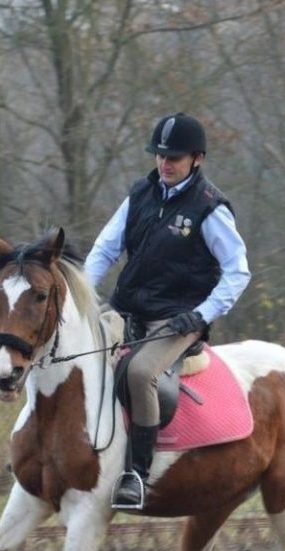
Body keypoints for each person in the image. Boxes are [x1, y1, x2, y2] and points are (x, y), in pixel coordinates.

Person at [85, 112, 251, 509]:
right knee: (73, 354)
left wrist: (201, 315)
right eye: (160, 154)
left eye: (174, 156)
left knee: (141, 372)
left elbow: (237, 272)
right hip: (128, 310)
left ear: (197, 158)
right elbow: (105, 250)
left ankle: (135, 475)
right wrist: (83, 297)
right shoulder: (140, 194)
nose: (165, 162)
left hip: (177, 319)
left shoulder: (210, 209)